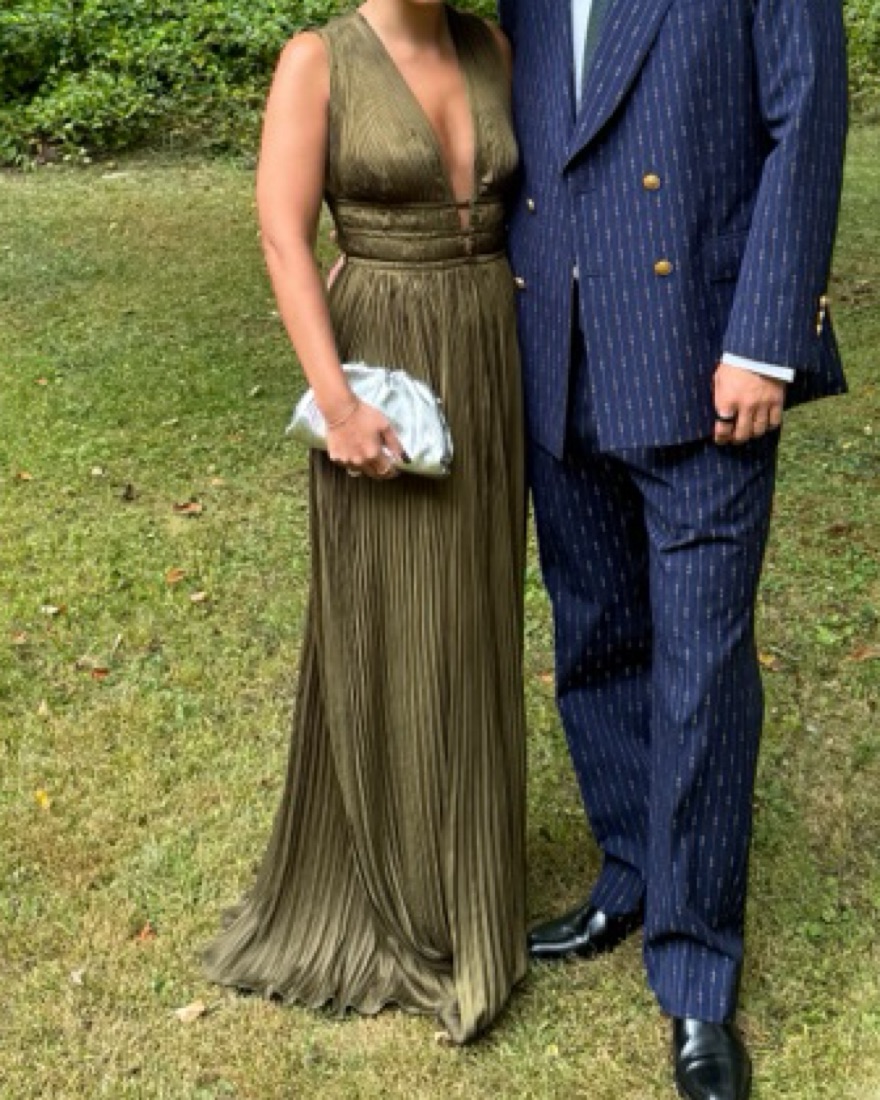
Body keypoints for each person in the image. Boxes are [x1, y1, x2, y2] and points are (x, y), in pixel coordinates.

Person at [497, 0, 848, 1096]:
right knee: (595, 632)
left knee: (699, 667)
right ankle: (631, 870)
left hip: (704, 357)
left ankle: (695, 969)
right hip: (558, 346)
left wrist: (767, 340)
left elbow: (808, 123)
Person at [203, 0, 527, 1044]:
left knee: (474, 615)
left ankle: (468, 878)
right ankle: (399, 891)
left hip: (488, 351)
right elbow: (282, 236)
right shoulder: (318, 61)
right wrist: (336, 402)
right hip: (381, 362)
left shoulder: (491, 47)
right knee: (391, 613)